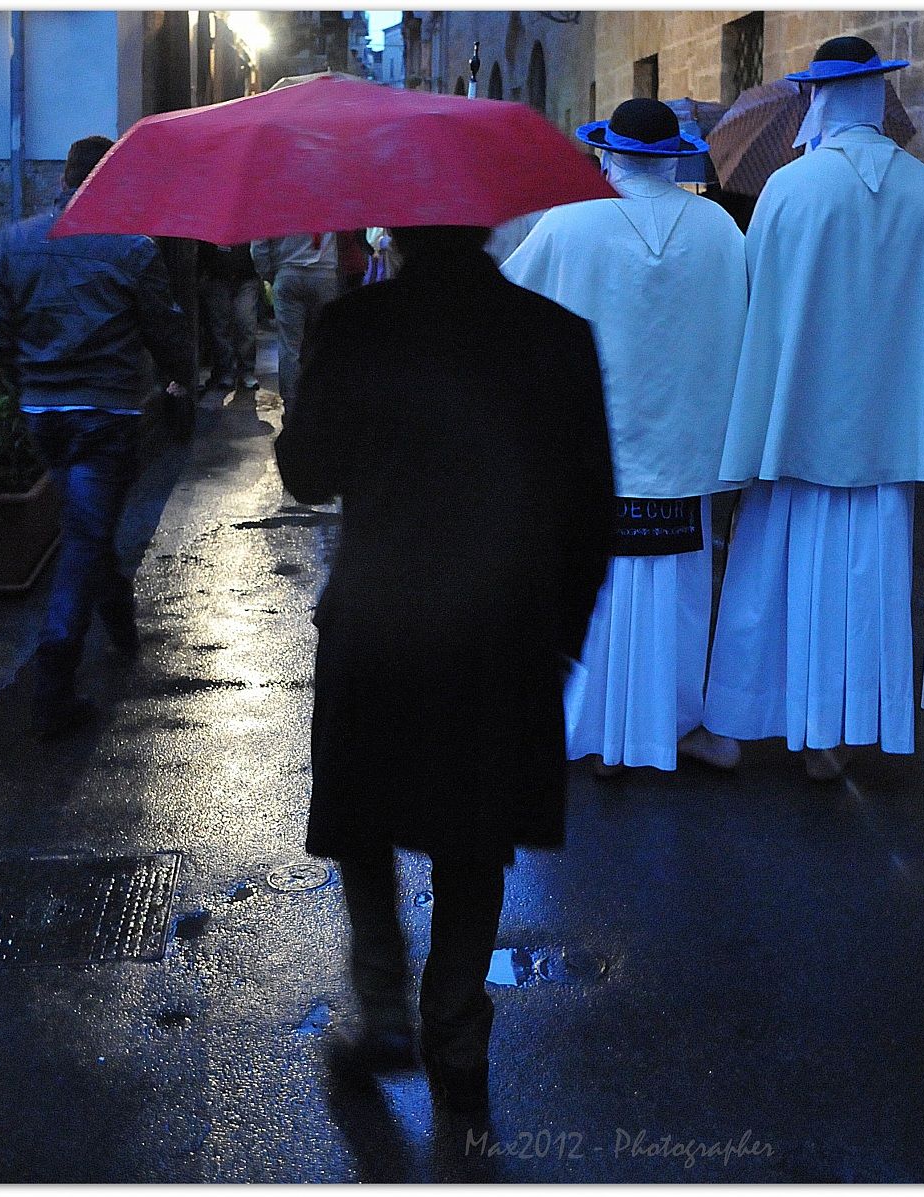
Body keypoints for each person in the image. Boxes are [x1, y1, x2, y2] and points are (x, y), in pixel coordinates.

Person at [274, 224, 614, 1112]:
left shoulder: (355, 328)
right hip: (502, 629)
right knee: (476, 829)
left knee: (362, 816)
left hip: (380, 621)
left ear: (405, 230)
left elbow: (305, 472)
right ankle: (455, 1024)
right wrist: (561, 635)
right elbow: (591, 504)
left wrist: (317, 377)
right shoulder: (555, 334)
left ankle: (382, 1001)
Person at [703, 37, 924, 779]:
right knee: (867, 585)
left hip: (798, 422)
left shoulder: (790, 192)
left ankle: (773, 718)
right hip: (887, 434)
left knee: (779, 577)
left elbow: (751, 303)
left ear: (821, 99)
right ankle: (843, 726)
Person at [502, 98, 748, 776]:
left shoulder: (569, 222)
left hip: (597, 443)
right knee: (681, 593)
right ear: (674, 155)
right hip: (686, 442)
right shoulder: (719, 228)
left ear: (608, 150)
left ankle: (604, 731)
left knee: (600, 587)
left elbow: (508, 306)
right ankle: (674, 725)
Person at [0, 135, 194, 738]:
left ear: (64, 180)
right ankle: (53, 684)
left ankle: (121, 621)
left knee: (87, 523)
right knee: (85, 534)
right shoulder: (132, 250)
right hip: (108, 412)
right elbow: (165, 331)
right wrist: (179, 380)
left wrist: (26, 378)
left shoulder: (13, 242)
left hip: (44, 411)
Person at [249, 232, 339, 409]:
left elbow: (259, 243)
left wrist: (269, 273)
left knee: (290, 347)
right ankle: (319, 399)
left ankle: (291, 404)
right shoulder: (330, 203)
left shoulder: (279, 204)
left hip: (288, 272)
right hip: (325, 273)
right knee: (321, 344)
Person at [197, 241, 260, 391]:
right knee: (221, 326)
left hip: (246, 276)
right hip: (218, 276)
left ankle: (244, 370)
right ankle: (227, 370)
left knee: (245, 323)